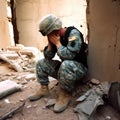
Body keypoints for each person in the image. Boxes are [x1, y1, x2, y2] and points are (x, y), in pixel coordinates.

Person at [29, 14, 88, 113]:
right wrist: (50, 45)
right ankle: (44, 89)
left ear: (54, 29)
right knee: (41, 63)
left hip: (78, 69)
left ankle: (65, 94)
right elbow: (48, 57)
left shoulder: (73, 34)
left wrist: (58, 44)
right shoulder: (56, 38)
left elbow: (70, 56)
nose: (49, 36)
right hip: (66, 70)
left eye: (49, 33)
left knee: (66, 64)